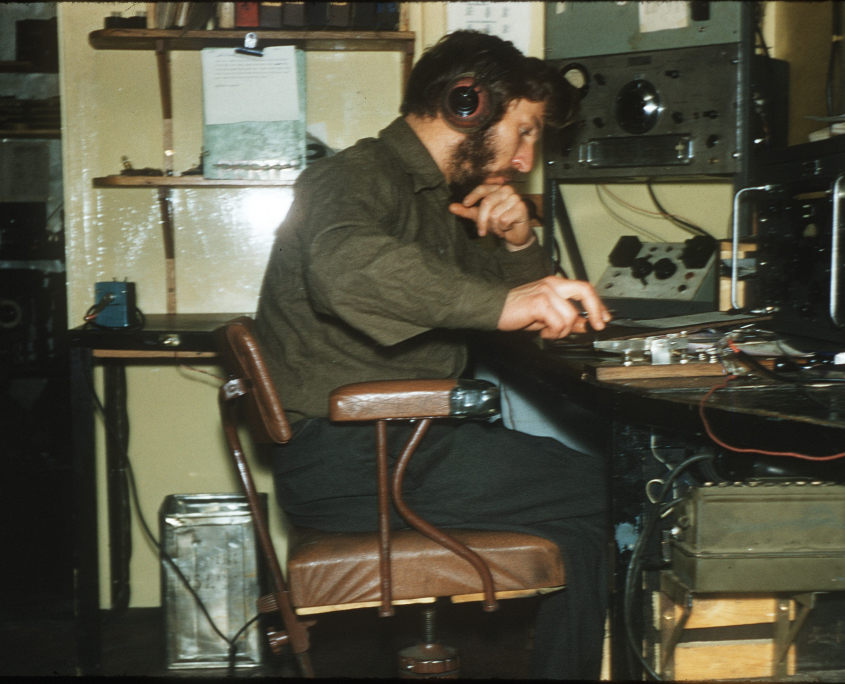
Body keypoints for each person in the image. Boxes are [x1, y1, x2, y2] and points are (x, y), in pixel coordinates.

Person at [254, 30, 611, 680]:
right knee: (622, 485)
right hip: (359, 459)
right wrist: (507, 304)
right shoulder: (354, 176)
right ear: (465, 105)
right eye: (524, 132)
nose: (527, 159)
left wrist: (517, 242)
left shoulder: (435, 202)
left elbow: (542, 325)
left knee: (583, 520)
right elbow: (346, 268)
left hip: (394, 448)